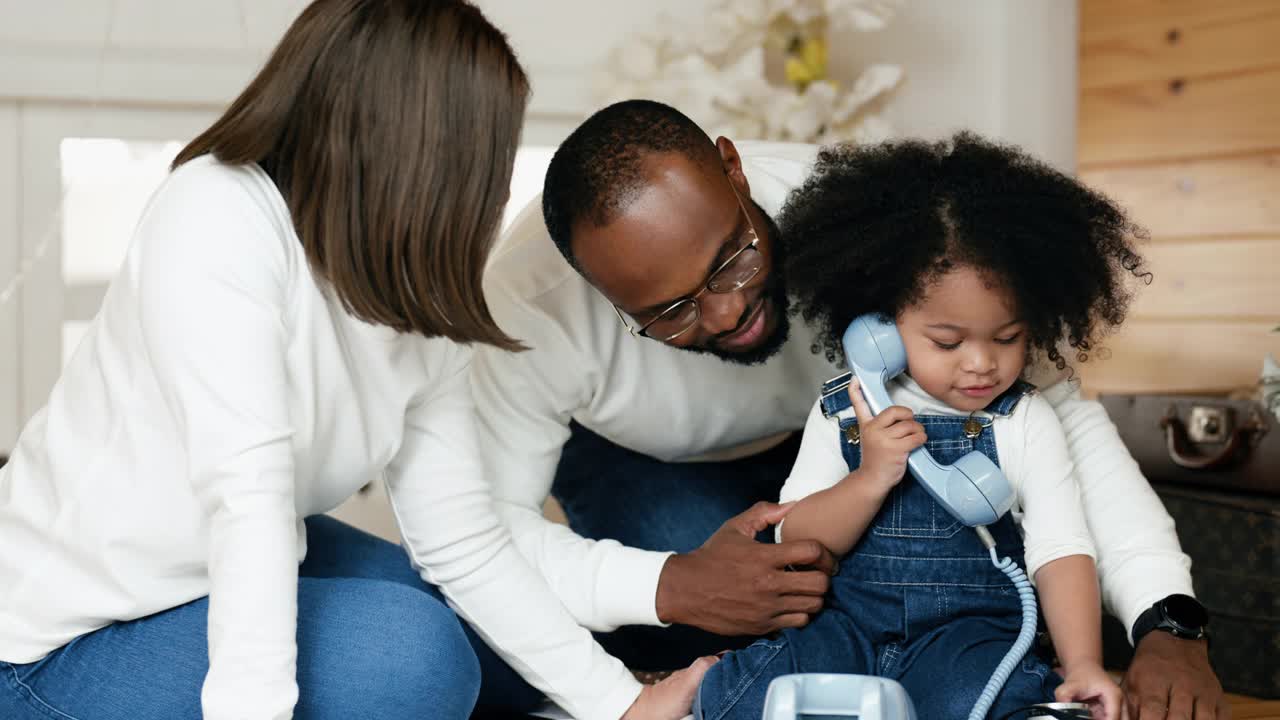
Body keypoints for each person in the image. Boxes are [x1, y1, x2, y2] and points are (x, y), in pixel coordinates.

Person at [0, 5, 702, 720]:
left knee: (484, 638)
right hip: (58, 636)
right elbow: (249, 503)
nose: (494, 193)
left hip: (206, 569)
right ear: (430, 156)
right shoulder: (215, 215)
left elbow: (461, 540)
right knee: (418, 656)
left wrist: (620, 706)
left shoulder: (411, 288)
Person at [472, 99, 1227, 719]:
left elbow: (1065, 426)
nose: (730, 309)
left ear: (734, 172)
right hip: (652, 461)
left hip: (844, 445)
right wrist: (669, 585)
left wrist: (1169, 619)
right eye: (672, 310)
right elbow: (487, 530)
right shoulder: (525, 309)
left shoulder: (874, 219)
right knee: (705, 626)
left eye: (734, 258)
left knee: (1002, 644)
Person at [695, 133, 1137, 720]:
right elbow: (796, 537)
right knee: (742, 699)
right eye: (947, 342)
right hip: (844, 625)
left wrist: (1083, 663)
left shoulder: (1024, 418)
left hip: (965, 635)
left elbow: (1060, 550)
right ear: (879, 326)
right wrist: (871, 476)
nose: (982, 363)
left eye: (1008, 338)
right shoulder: (844, 408)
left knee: (979, 700)